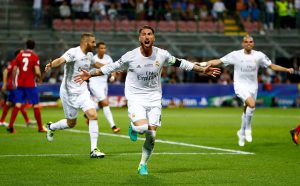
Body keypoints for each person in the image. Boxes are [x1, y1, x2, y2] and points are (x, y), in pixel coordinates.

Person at [74, 25, 221, 175]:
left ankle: (142, 164)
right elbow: (110, 67)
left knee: (152, 135)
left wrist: (202, 69)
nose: (146, 36)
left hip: (154, 98)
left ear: (153, 37)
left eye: (149, 34)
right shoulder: (130, 56)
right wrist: (91, 74)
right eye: (143, 34)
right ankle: (133, 126)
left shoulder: (162, 54)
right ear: (139, 38)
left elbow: (181, 63)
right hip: (136, 97)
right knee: (142, 129)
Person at [201, 34, 294, 147]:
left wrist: (287, 69)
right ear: (243, 44)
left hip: (253, 87)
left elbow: (271, 66)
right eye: (246, 42)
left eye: (250, 42)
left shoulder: (259, 55)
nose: (248, 43)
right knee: (252, 104)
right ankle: (248, 129)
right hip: (240, 86)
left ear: (253, 43)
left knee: (247, 109)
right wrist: (204, 64)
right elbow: (219, 61)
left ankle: (241, 132)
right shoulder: (235, 55)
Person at [44, 33, 105, 158]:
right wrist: (51, 65)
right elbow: (61, 60)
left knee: (93, 115)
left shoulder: (89, 55)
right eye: (93, 42)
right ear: (85, 42)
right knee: (71, 123)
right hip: (68, 93)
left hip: (83, 92)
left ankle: (94, 149)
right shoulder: (73, 52)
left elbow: (96, 64)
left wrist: (112, 67)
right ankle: (52, 126)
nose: (95, 45)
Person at [7, 40, 46, 133]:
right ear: (34, 46)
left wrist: (14, 81)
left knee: (18, 104)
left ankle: (10, 126)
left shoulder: (19, 55)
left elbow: (15, 69)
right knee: (35, 105)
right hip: (31, 85)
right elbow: (37, 71)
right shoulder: (34, 56)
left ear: (26, 46)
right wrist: (40, 78)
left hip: (20, 84)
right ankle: (40, 128)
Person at [87, 41, 120, 133]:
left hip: (104, 84)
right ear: (97, 49)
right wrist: (109, 66)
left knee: (101, 104)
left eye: (104, 48)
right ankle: (113, 126)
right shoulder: (93, 59)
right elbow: (100, 66)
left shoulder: (108, 58)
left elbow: (113, 69)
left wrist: (113, 76)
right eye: (101, 48)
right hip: (94, 83)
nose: (103, 50)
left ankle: (88, 114)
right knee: (105, 103)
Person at [0, 50, 36, 127]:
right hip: (14, 85)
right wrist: (4, 84)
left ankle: (2, 121)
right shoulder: (15, 61)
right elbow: (5, 72)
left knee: (9, 103)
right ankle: (26, 121)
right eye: (22, 53)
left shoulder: (19, 62)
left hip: (13, 85)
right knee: (19, 102)